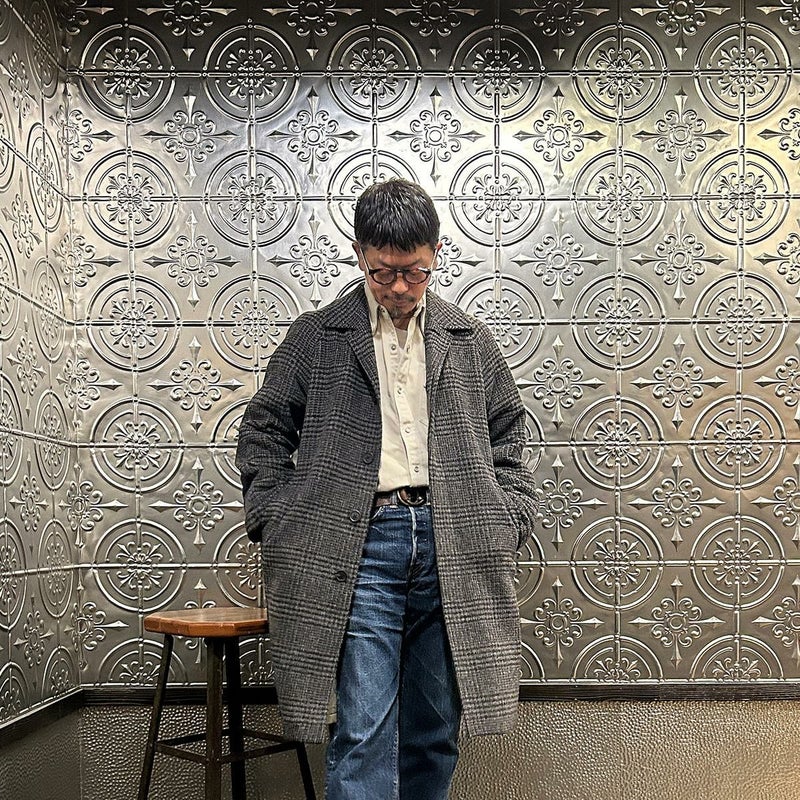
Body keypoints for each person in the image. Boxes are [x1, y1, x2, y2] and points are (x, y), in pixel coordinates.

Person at [235, 178, 538, 800]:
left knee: (435, 731)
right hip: (358, 546)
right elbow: (263, 432)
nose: (400, 287)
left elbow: (509, 433)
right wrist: (276, 517)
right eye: (383, 272)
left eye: (415, 272)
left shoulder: (469, 340)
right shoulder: (317, 336)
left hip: (455, 545)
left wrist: (508, 516)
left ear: (436, 254)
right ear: (359, 254)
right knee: (362, 731)